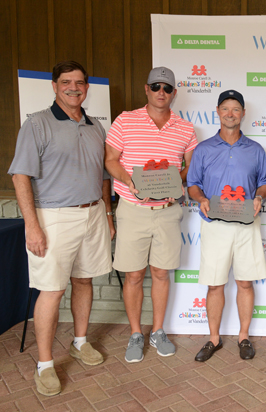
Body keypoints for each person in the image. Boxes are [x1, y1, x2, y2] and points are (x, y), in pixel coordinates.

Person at [9, 61, 115, 396]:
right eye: (66, 82)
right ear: (54, 86)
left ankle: (79, 342)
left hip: (93, 213)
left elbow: (102, 176)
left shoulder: (96, 126)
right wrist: (32, 226)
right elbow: (20, 176)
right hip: (52, 217)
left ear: (87, 87)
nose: (73, 88)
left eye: (79, 82)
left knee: (84, 280)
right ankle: (44, 364)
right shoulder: (37, 124)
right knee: (52, 291)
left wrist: (108, 214)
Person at [105, 67, 197, 363]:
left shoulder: (186, 128)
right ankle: (135, 333)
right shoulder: (125, 120)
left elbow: (191, 167)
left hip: (168, 212)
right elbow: (110, 160)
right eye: (156, 86)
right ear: (146, 89)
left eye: (167, 88)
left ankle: (158, 331)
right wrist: (130, 181)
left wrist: (175, 182)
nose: (161, 92)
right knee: (133, 275)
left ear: (174, 93)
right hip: (133, 210)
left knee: (160, 272)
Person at [187, 90, 266, 361]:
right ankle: (214, 338)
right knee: (215, 284)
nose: (230, 114)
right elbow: (192, 184)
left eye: (236, 109)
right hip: (215, 224)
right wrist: (201, 199)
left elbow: (265, 183)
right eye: (225, 108)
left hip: (246, 223)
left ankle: (243, 336)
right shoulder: (203, 149)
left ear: (243, 113)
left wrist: (259, 197)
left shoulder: (255, 150)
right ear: (218, 111)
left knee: (245, 282)